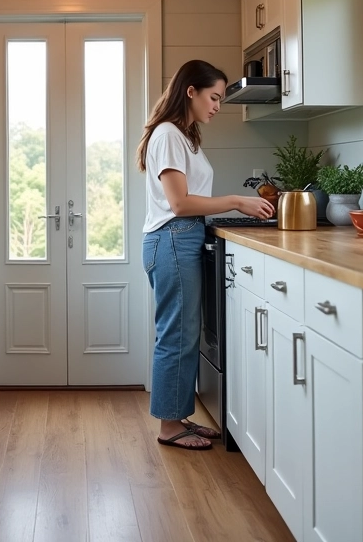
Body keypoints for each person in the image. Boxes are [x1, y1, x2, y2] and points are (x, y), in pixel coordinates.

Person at [136, 60, 275, 450]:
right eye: (214, 97)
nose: (217, 105)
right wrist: (236, 202)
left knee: (183, 332)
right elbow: (179, 203)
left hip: (181, 239)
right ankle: (168, 427)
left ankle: (178, 417)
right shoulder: (167, 135)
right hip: (173, 239)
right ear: (190, 91)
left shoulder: (183, 137)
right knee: (177, 335)